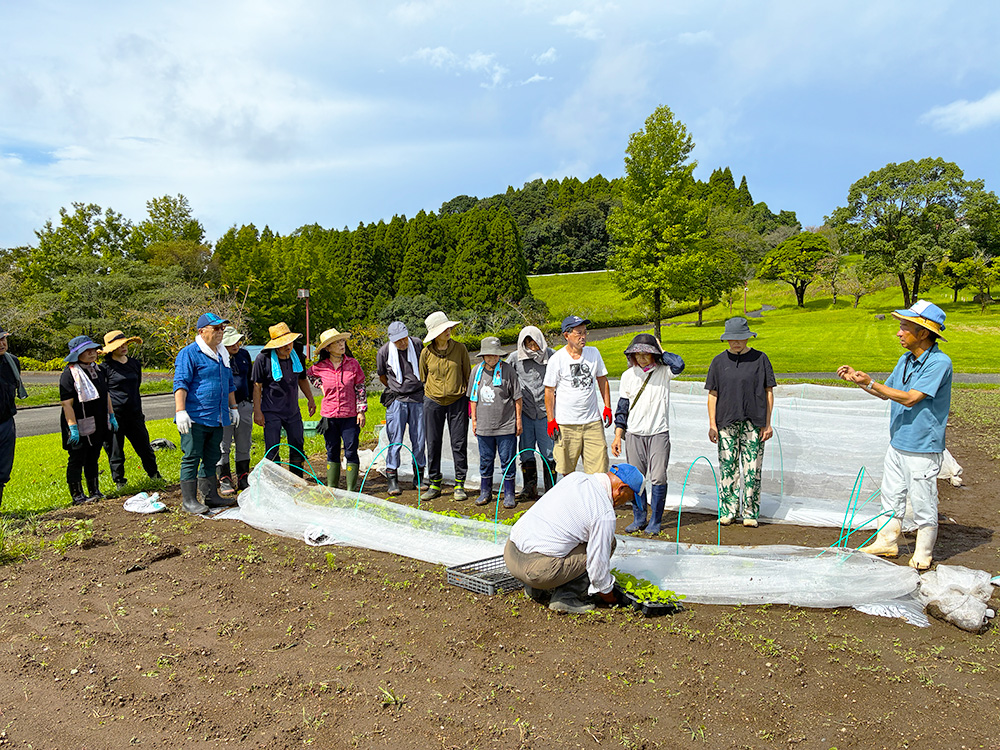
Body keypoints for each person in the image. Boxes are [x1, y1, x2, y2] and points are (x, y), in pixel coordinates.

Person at [837, 300, 953, 570]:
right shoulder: (906, 359)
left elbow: (911, 398)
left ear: (923, 332)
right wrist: (860, 381)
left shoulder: (939, 363)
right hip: (898, 441)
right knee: (890, 495)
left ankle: (923, 552)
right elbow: (886, 392)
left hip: (922, 446)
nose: (899, 333)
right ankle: (887, 541)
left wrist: (871, 382)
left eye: (904, 327)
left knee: (923, 500)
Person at [504, 463, 643, 613]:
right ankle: (567, 598)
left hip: (511, 554)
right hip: (536, 572)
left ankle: (534, 589)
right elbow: (597, 567)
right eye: (629, 499)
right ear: (621, 489)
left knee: (568, 536)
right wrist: (611, 596)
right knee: (609, 543)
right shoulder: (604, 512)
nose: (624, 504)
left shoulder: (576, 478)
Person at [705, 317, 776, 528]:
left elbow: (768, 391)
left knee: (752, 468)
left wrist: (768, 423)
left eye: (740, 339)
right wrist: (712, 424)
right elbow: (713, 394)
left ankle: (750, 512)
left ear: (747, 337)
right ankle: (728, 511)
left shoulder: (760, 359)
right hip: (726, 421)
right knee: (728, 467)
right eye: (732, 339)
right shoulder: (718, 362)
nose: (736, 343)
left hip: (754, 421)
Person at [612, 334, 685, 535]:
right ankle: (639, 517)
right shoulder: (628, 376)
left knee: (659, 476)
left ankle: (656, 520)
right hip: (635, 434)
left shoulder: (664, 371)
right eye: (638, 354)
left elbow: (679, 364)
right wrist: (618, 435)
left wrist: (662, 354)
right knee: (637, 478)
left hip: (658, 432)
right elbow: (622, 409)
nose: (642, 358)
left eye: (647, 353)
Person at [174, 313, 240, 514]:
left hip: (217, 416)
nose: (221, 332)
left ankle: (210, 495)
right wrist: (181, 410)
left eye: (222, 329)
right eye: (216, 328)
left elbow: (228, 384)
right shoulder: (190, 353)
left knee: (212, 456)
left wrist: (233, 408)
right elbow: (181, 383)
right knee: (192, 456)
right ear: (202, 331)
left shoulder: (222, 355)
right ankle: (189, 500)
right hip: (196, 416)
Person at [543, 315, 612, 476]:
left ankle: (594, 500)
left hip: (592, 422)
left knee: (598, 471)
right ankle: (571, 500)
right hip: (566, 424)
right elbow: (549, 391)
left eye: (585, 333)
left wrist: (607, 407)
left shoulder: (593, 353)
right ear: (566, 335)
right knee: (567, 471)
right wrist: (550, 419)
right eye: (578, 333)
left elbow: (602, 380)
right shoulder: (557, 359)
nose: (583, 337)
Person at [252, 322, 317, 479]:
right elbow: (257, 387)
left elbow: (302, 379)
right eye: (283, 344)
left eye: (290, 342)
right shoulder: (263, 359)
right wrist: (258, 411)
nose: (287, 347)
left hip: (292, 409)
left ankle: (296, 479)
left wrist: (310, 399)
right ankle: (275, 480)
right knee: (272, 447)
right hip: (271, 409)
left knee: (297, 443)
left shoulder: (298, 357)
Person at [419, 311, 471, 501]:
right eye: (444, 329)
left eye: (449, 327)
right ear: (435, 333)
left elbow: (468, 375)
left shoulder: (460, 349)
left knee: (458, 443)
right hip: (432, 401)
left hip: (458, 401)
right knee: (433, 442)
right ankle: (434, 483)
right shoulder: (426, 353)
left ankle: (460, 484)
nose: (448, 331)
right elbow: (423, 377)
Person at [99, 331, 162, 488]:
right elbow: (103, 392)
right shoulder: (105, 368)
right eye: (119, 345)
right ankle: (120, 481)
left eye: (125, 343)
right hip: (114, 415)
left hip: (134, 413)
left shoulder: (134, 364)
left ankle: (154, 475)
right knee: (115, 451)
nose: (124, 347)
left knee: (145, 448)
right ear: (111, 349)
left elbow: (136, 384)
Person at [60, 336, 117, 504]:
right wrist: (73, 428)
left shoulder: (97, 370)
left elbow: (105, 393)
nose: (92, 353)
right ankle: (77, 495)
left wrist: (111, 415)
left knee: (93, 455)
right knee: (77, 457)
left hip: (98, 418)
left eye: (93, 350)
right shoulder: (69, 373)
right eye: (87, 350)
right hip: (78, 420)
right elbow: (67, 404)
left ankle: (94, 490)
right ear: (77, 354)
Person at [307, 328, 366, 491]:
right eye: (337, 342)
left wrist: (361, 410)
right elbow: (309, 375)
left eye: (342, 341)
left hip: (350, 415)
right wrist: (320, 386)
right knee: (331, 450)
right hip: (329, 415)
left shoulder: (353, 364)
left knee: (351, 449)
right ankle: (332, 488)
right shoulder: (320, 367)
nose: (341, 345)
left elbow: (360, 387)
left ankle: (351, 489)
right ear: (327, 348)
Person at [469, 337, 522, 509]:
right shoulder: (476, 371)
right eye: (489, 356)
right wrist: (474, 420)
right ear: (483, 356)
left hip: (505, 425)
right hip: (484, 426)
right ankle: (485, 492)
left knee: (507, 460)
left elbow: (517, 397)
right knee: (486, 460)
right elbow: (473, 398)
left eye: (495, 356)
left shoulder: (508, 370)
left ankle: (509, 494)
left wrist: (518, 420)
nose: (492, 359)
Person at [376, 321, 427, 496]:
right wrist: (395, 386)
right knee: (395, 440)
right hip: (397, 400)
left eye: (404, 339)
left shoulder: (417, 344)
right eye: (398, 341)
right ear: (391, 340)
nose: (403, 343)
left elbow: (424, 365)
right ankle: (392, 478)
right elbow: (382, 375)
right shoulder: (384, 352)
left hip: (418, 397)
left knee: (419, 439)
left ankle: (419, 476)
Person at [506, 326, 556, 500]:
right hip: (526, 412)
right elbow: (507, 380)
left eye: (535, 343)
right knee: (526, 451)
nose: (533, 347)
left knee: (549, 451)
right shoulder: (515, 358)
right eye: (529, 343)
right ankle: (530, 487)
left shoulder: (552, 355)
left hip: (546, 413)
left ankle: (552, 489)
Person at [217, 326, 253, 494]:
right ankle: (224, 477)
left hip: (244, 405)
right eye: (231, 342)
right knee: (223, 443)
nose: (236, 345)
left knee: (244, 441)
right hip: (223, 407)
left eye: (237, 341)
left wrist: (252, 403)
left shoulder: (244, 355)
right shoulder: (217, 357)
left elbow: (250, 379)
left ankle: (243, 476)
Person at [0, 328, 27, 510]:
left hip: (6, 422)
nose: (2, 343)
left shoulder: (12, 362)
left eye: (3, 339)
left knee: (2, 471)